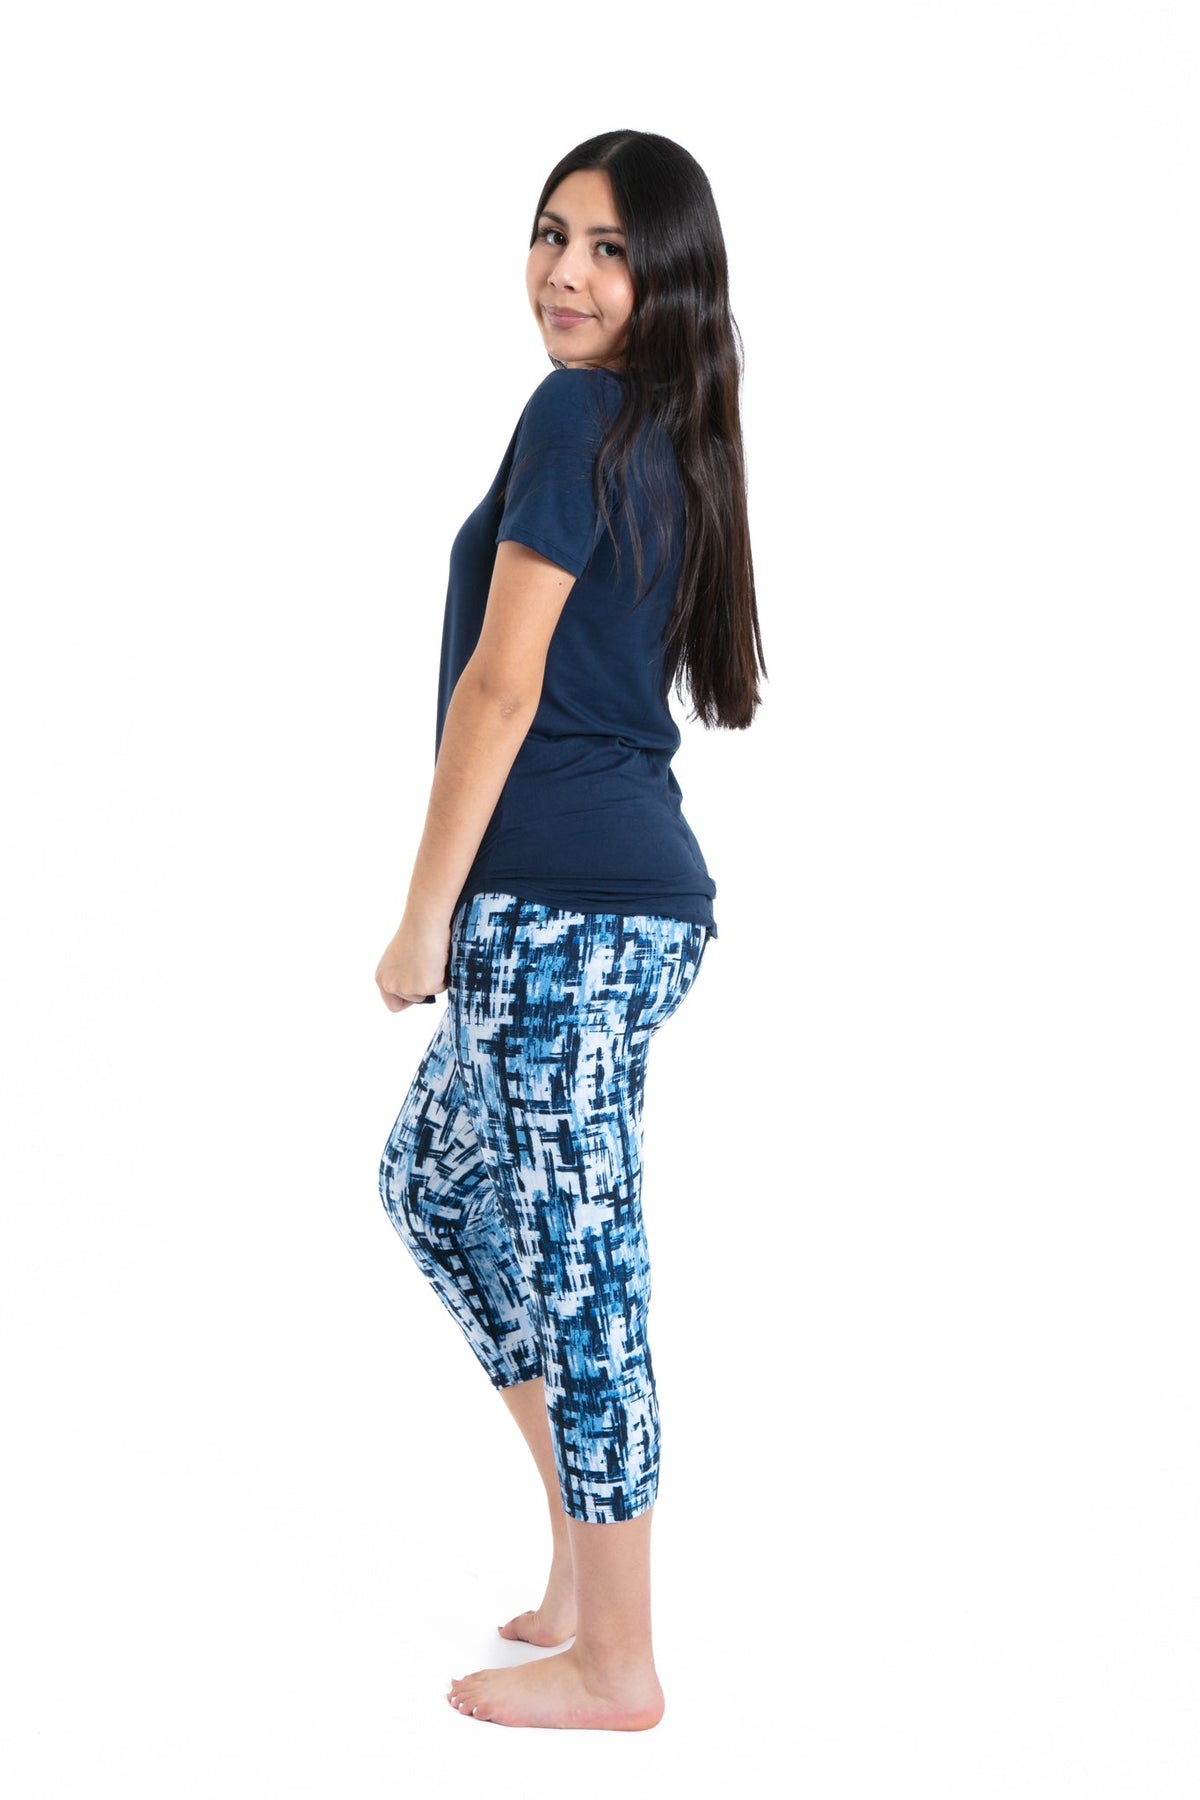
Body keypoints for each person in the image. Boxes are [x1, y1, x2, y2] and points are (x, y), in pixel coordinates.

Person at [374, 128, 764, 1731]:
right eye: (550, 235)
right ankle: (587, 1562)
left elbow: (503, 682)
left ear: (668, 277)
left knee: (589, 1280)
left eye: (608, 248)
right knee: (432, 1184)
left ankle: (618, 1662)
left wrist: (422, 917)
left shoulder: (577, 415)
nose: (566, 273)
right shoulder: (664, 433)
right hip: (610, 911)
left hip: (561, 917)